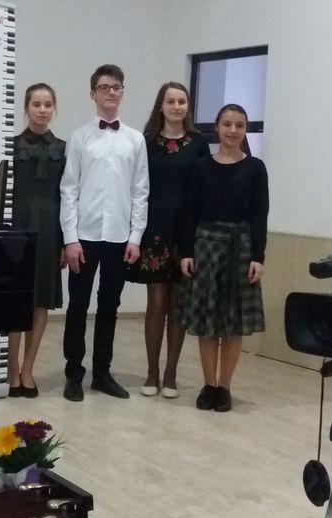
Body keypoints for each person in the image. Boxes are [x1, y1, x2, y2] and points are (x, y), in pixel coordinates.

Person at [59, 64, 149, 402]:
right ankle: (73, 374)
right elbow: (69, 189)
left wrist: (135, 237)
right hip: (84, 236)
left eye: (116, 87)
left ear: (122, 92)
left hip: (119, 237)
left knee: (110, 306)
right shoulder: (80, 137)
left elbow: (140, 191)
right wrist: (70, 238)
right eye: (104, 87)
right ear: (93, 94)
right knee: (78, 305)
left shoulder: (135, 139)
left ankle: (102, 374)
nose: (111, 92)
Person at [178, 103, 269, 412]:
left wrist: (258, 256)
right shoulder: (201, 167)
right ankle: (208, 384)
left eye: (239, 125)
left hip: (240, 247)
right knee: (207, 322)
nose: (233, 130)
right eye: (227, 124)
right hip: (206, 244)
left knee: (233, 324)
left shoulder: (256, 168)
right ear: (216, 127)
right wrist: (186, 252)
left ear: (245, 130)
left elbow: (260, 215)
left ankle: (225, 387)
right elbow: (190, 212)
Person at [126, 82, 210, 399]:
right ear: (160, 106)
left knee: (178, 306)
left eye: (181, 101)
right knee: (157, 304)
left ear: (188, 106)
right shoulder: (146, 142)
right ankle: (151, 372)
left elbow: (203, 189)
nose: (176, 106)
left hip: (187, 231)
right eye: (170, 101)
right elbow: (137, 188)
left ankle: (171, 374)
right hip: (154, 228)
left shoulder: (199, 144)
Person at [7, 83, 67, 399]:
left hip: (50, 230)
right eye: (36, 104)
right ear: (26, 108)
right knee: (16, 299)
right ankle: (11, 368)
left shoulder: (63, 149)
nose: (42, 110)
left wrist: (65, 241)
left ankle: (28, 369)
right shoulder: (11, 146)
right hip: (17, 228)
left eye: (47, 104)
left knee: (41, 300)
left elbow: (69, 197)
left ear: (54, 109)